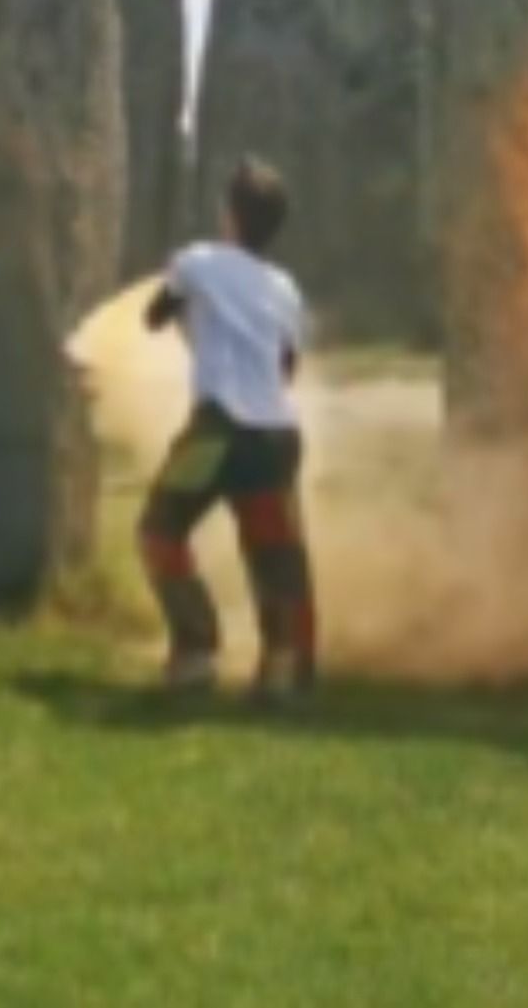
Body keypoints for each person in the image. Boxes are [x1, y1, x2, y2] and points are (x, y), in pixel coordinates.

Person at [138, 156, 316, 705]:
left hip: (220, 431)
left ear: (231, 215)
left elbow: (153, 314)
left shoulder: (200, 261)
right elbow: (286, 368)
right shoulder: (285, 288)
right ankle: (286, 672)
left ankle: (195, 653)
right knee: (276, 555)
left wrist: (188, 310)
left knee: (160, 531)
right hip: (277, 437)